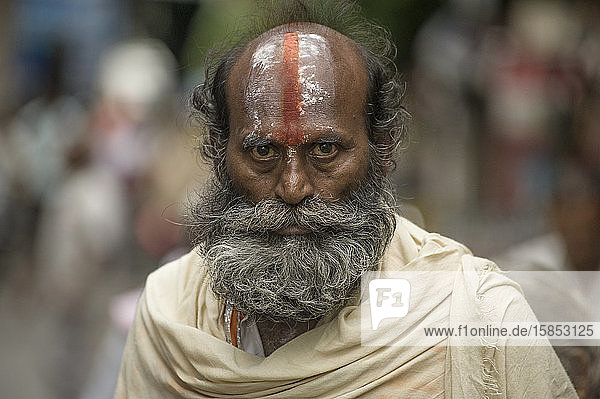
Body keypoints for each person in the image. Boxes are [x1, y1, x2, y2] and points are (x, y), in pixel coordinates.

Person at [115, 1, 576, 397]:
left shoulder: (478, 315)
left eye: (324, 150)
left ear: (383, 149)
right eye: (262, 151)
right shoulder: (170, 314)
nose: (293, 187)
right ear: (218, 154)